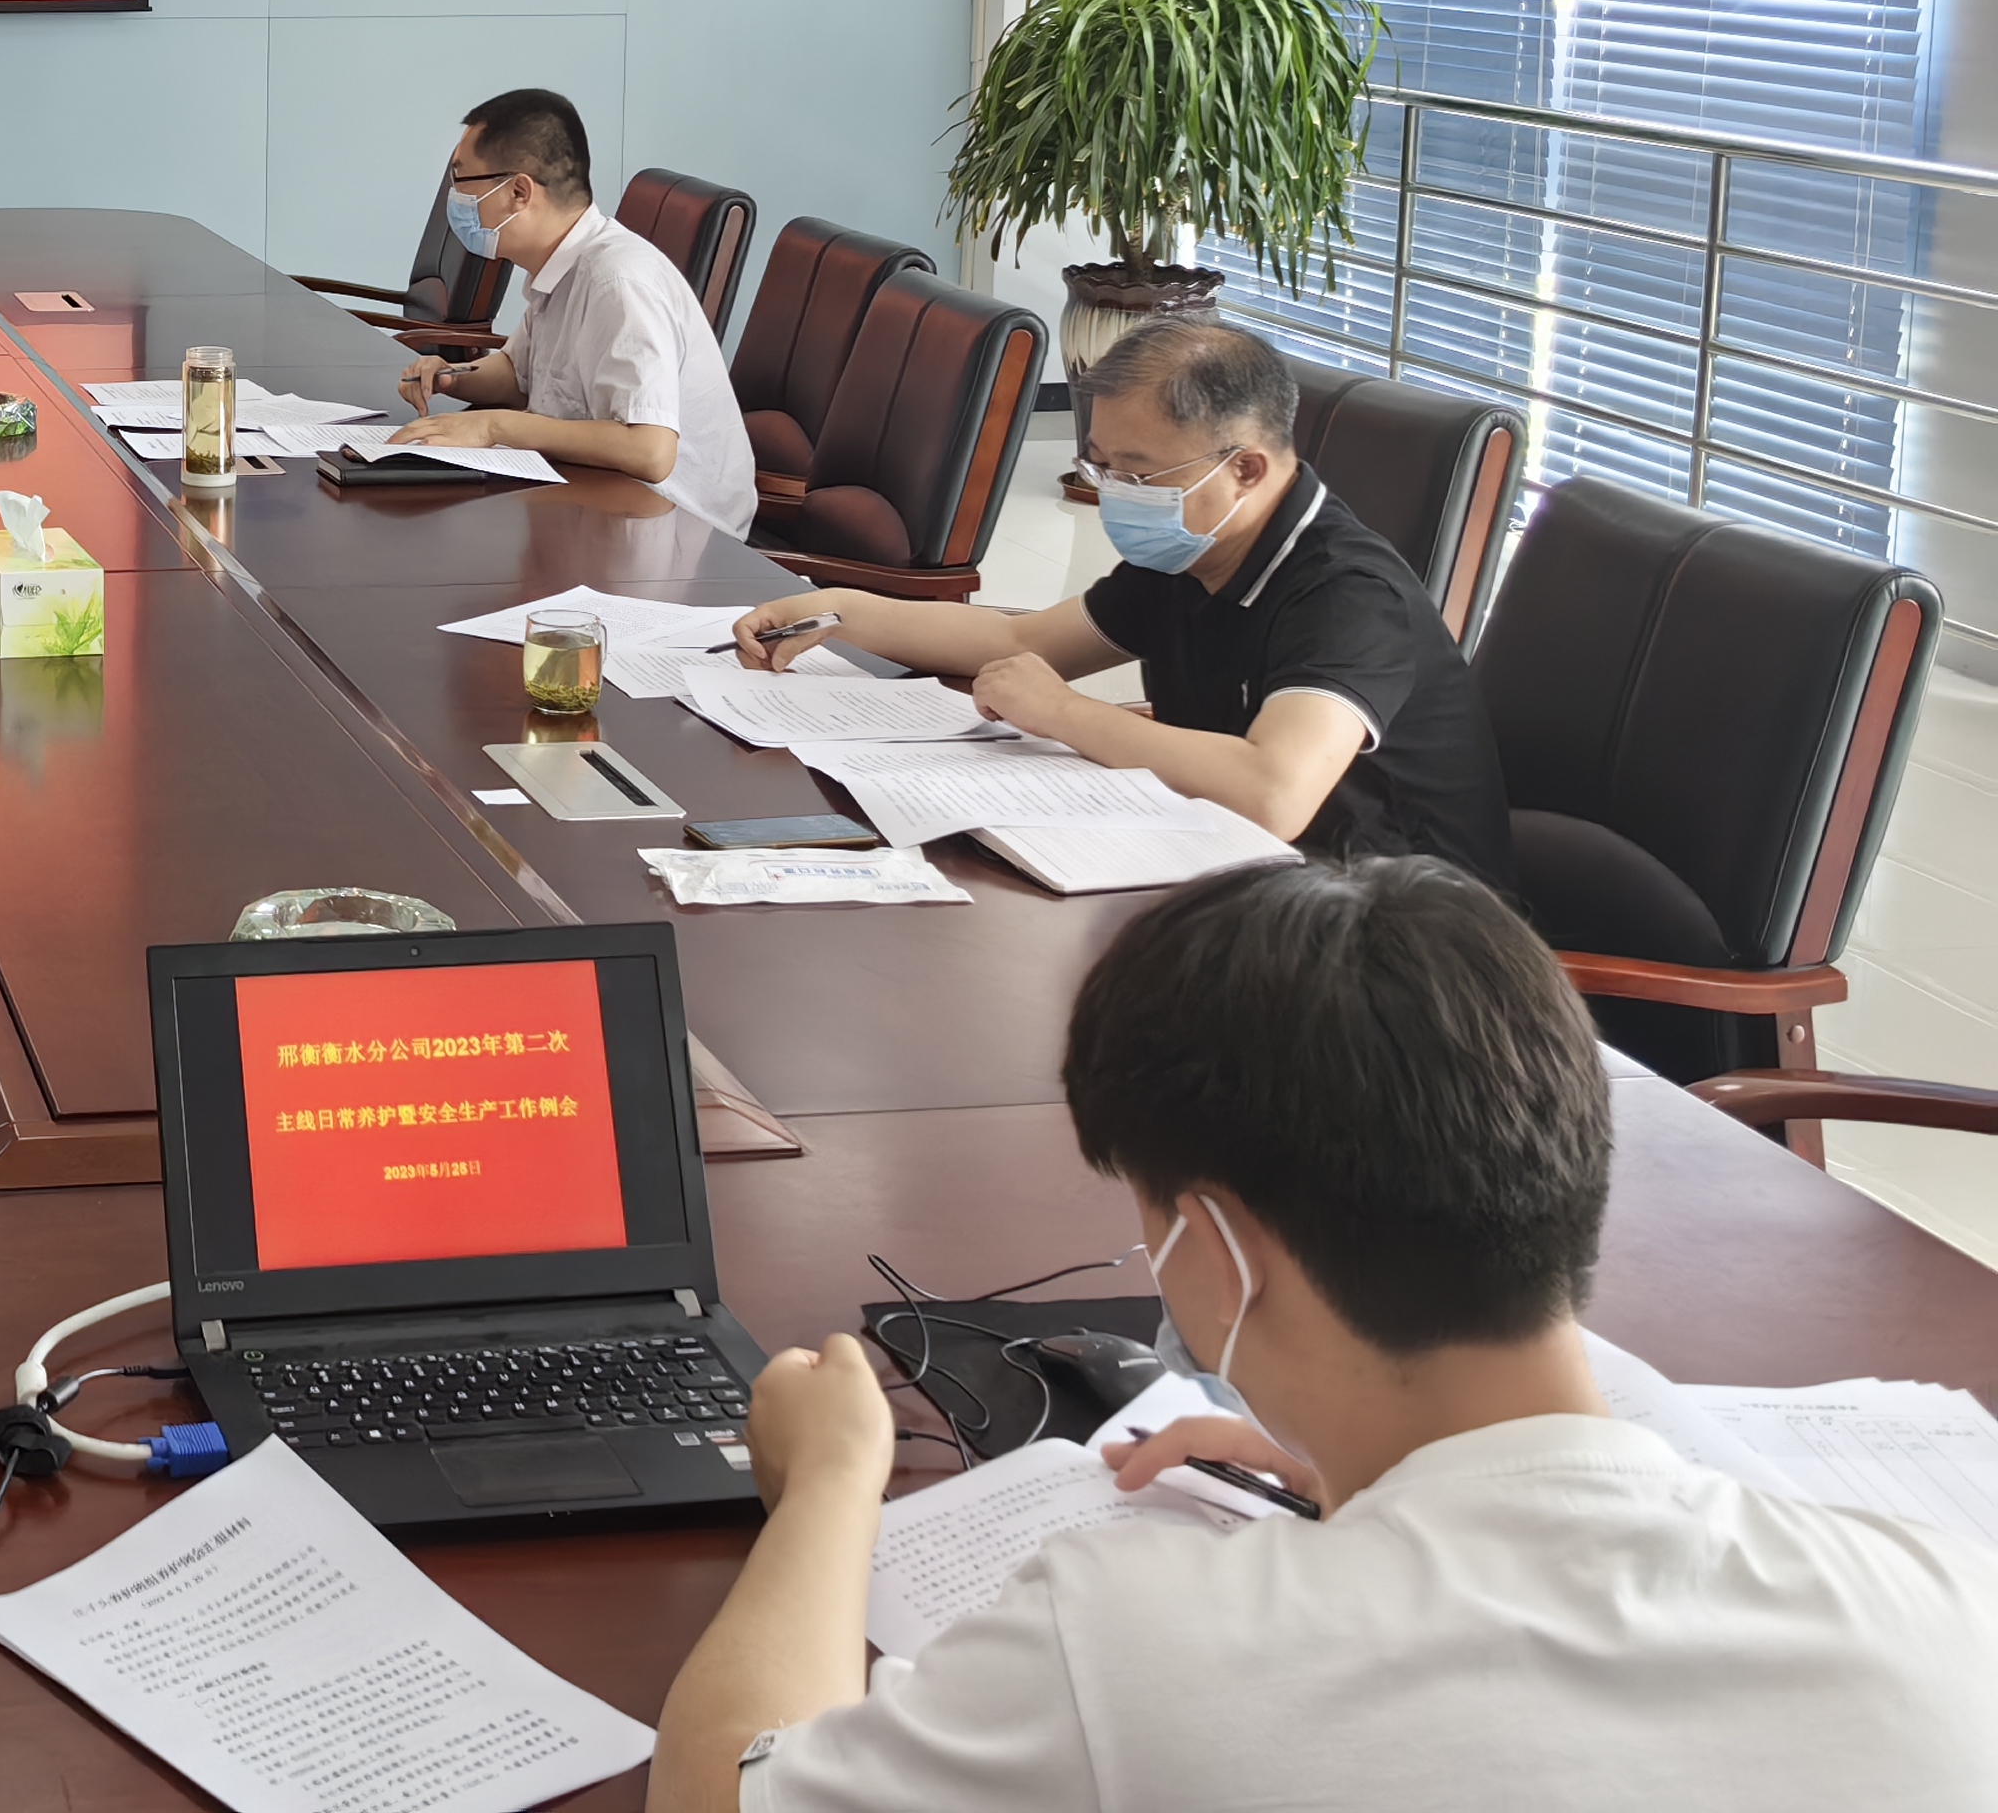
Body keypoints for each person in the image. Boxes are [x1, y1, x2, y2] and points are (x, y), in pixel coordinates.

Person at [650, 854, 1998, 1809]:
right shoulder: (1945, 1605)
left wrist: (829, 1485)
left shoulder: (1130, 1651)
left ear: (1219, 1254)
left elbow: (718, 1791)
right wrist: (1369, 1475)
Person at [729, 315, 1508, 879]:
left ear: (1245, 469)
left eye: (1138, 474)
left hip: (1399, 929)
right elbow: (1020, 643)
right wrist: (841, 610)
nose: (1115, 494)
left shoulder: (1347, 594)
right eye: (1101, 467)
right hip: (1239, 866)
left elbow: (1274, 792)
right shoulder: (1196, 547)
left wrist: (1065, 715)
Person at [384, 87, 754, 535]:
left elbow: (650, 451)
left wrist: (492, 427)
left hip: (678, 535)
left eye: (462, 180)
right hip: (597, 502)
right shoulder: (558, 268)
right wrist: (451, 377)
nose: (454, 195)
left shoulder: (618, 280)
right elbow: (520, 376)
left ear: (518, 191)